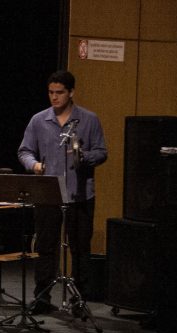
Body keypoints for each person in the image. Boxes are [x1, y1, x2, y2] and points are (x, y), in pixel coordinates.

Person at [18, 70, 107, 314]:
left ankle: (79, 300)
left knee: (80, 247)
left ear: (71, 93)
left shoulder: (89, 120)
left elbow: (102, 152)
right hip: (48, 194)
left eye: (59, 93)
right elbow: (24, 151)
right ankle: (43, 297)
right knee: (46, 245)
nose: (54, 97)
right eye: (51, 92)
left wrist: (83, 157)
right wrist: (33, 165)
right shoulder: (39, 120)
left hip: (80, 195)